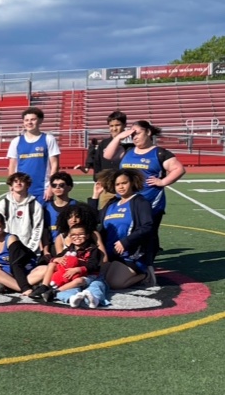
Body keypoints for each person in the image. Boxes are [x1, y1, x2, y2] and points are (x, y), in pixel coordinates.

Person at [104, 119, 186, 269]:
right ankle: (125, 263)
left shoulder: (159, 153)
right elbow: (108, 155)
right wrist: (119, 137)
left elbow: (179, 169)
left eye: (138, 133)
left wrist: (163, 182)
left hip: (150, 203)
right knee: (125, 233)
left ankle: (147, 266)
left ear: (148, 132)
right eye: (132, 134)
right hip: (126, 202)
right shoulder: (127, 151)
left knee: (147, 235)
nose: (134, 137)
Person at [89, 169, 156, 290]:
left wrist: (126, 242)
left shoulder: (140, 202)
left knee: (115, 283)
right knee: (97, 278)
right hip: (109, 254)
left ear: (132, 182)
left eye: (124, 183)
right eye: (117, 184)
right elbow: (92, 220)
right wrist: (95, 196)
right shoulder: (112, 203)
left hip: (130, 255)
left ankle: (145, 275)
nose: (121, 187)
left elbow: (147, 226)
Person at [29, 224, 106, 307]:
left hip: (86, 274)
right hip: (68, 274)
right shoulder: (70, 248)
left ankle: (55, 292)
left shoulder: (93, 249)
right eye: (73, 235)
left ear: (87, 236)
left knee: (79, 281)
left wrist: (78, 269)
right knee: (52, 264)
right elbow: (56, 258)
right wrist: (57, 259)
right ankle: (44, 287)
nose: (77, 237)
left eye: (80, 234)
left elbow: (93, 265)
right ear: (70, 236)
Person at [6, 107, 61, 204]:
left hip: (42, 190)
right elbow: (12, 166)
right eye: (26, 120)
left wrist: (50, 187)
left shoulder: (48, 139)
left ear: (40, 120)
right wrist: (11, 187)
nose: (29, 122)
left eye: (33, 119)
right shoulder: (16, 141)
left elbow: (55, 165)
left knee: (43, 218)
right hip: (21, 189)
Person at [0, 213, 35, 294]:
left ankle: (15, 286)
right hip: (7, 274)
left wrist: (25, 288)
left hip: (24, 270)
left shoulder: (11, 239)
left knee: (44, 270)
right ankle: (20, 287)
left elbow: (16, 264)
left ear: (4, 226)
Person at [0, 172, 44, 254]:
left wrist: (29, 250)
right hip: (8, 251)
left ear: (28, 185)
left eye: (22, 181)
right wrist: (5, 248)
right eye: (15, 181)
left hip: (29, 251)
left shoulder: (35, 206)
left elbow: (37, 230)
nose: (18, 183)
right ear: (11, 185)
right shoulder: (3, 204)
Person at [74, 111, 127, 182]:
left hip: (125, 185)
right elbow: (97, 165)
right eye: (111, 126)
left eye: (117, 125)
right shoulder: (103, 144)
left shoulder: (132, 144)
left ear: (125, 125)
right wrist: (98, 180)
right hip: (106, 186)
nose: (114, 129)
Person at [43, 172, 77, 252]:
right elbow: (44, 232)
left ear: (69, 187)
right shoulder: (45, 209)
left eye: (61, 185)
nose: (57, 187)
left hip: (73, 247)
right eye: (54, 185)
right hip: (52, 248)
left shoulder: (77, 207)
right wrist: (45, 251)